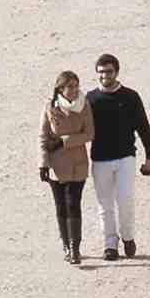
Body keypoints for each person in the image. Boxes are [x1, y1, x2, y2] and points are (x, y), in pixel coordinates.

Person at [84, 52, 150, 260]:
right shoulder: (90, 99)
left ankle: (128, 237)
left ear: (116, 72)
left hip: (125, 156)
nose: (104, 76)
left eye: (108, 71)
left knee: (125, 199)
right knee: (104, 204)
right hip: (100, 158)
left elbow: (143, 126)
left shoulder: (130, 96)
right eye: (100, 72)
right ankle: (110, 245)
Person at [39, 68, 94, 265]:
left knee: (73, 204)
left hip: (77, 163)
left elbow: (89, 134)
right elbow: (43, 137)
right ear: (60, 88)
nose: (73, 90)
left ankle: (74, 248)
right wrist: (43, 164)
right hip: (55, 165)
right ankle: (65, 244)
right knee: (60, 205)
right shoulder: (50, 107)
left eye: (76, 86)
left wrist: (64, 141)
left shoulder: (84, 105)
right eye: (69, 86)